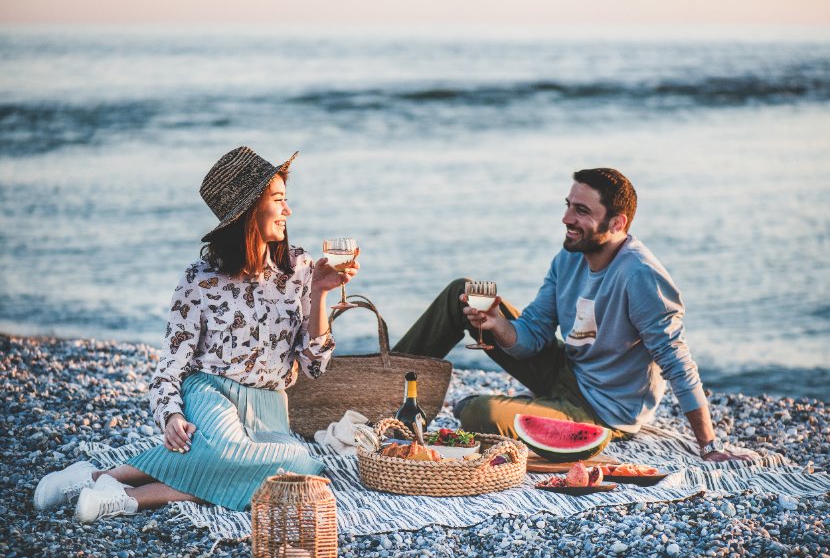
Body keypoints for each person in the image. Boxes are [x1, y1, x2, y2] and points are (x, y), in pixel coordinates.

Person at [33, 146, 359, 522]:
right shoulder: (199, 280)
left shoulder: (300, 269)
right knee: (228, 456)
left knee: (302, 471)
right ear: (249, 211)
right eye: (280, 200)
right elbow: (170, 365)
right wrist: (170, 415)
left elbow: (314, 367)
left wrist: (320, 292)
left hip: (270, 408)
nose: (289, 211)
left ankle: (112, 486)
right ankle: (115, 492)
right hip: (211, 394)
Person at [393, 168, 754, 462]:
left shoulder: (640, 276)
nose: (567, 218)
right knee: (463, 290)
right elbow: (533, 335)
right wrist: (498, 326)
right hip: (568, 370)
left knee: (476, 413)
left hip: (602, 411)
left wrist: (708, 445)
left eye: (582, 211)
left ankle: (524, 409)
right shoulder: (568, 257)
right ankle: (383, 388)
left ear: (616, 223)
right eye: (568, 205)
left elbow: (678, 363)